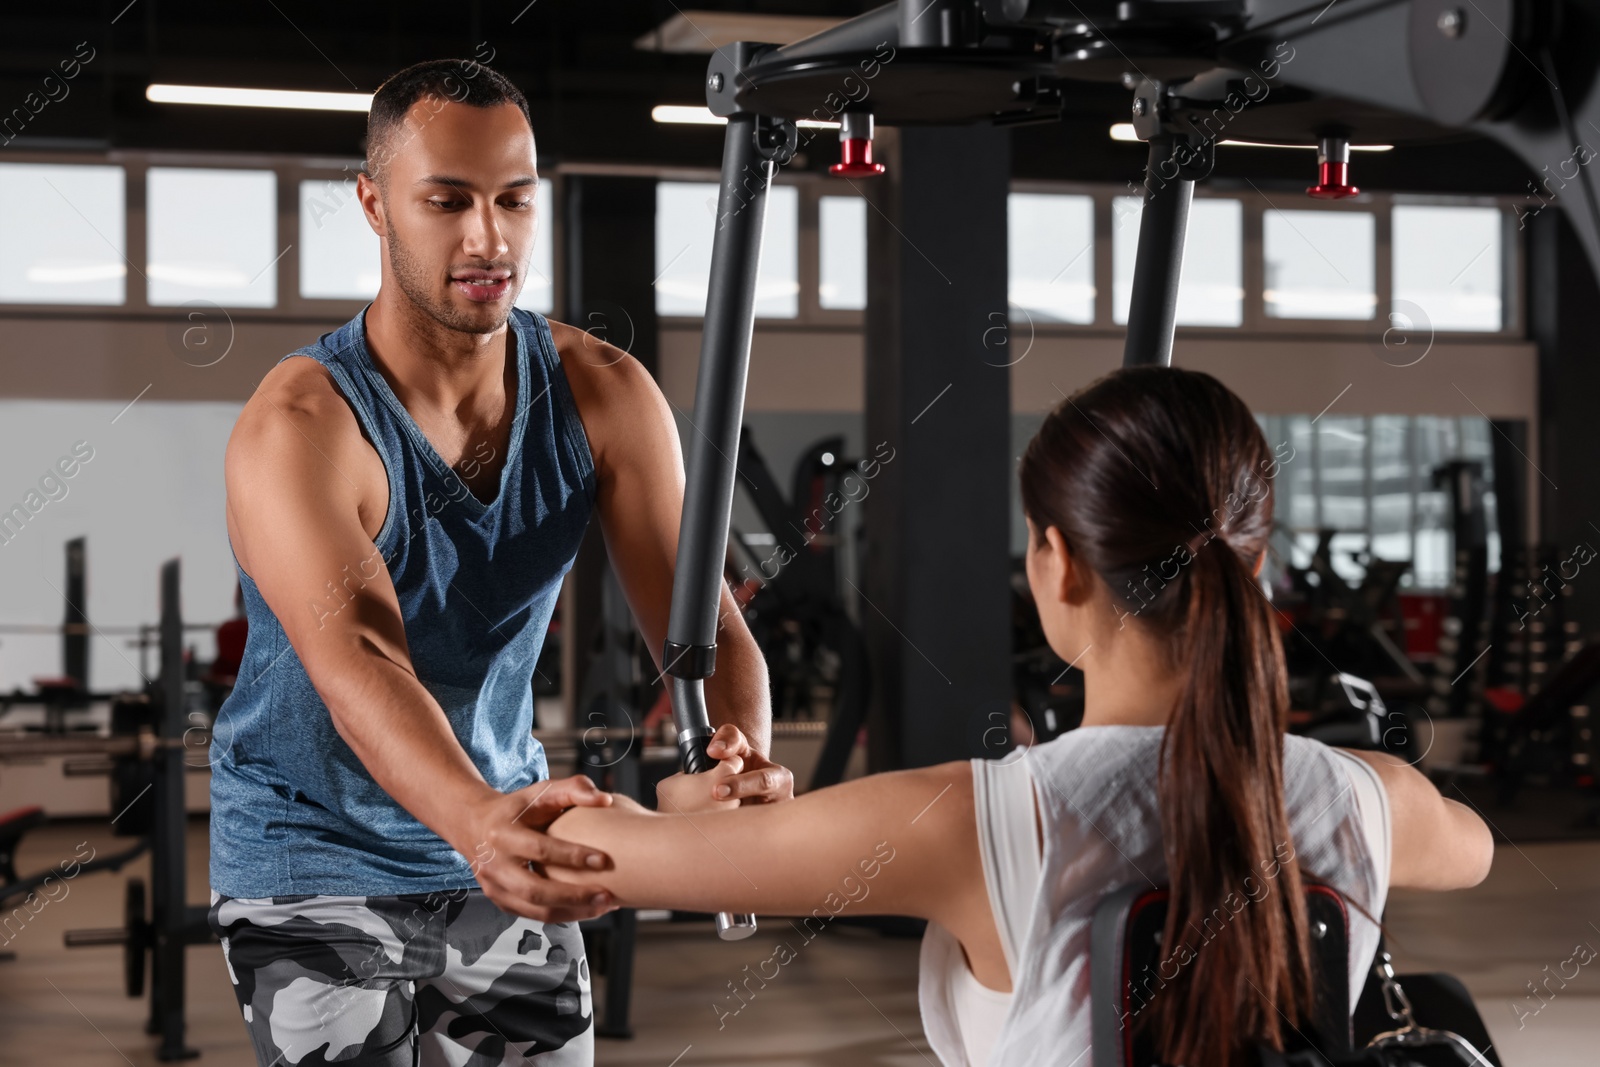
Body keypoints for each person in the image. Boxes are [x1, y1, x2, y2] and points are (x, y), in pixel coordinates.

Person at [546, 366, 1496, 1067]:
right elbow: (1477, 846)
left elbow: (585, 851)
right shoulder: (1375, 801)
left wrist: (678, 816)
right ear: (1254, 562)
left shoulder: (977, 820)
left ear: (1057, 560)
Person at [207, 58, 793, 1066]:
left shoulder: (603, 392)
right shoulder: (301, 425)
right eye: (447, 201)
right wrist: (476, 817)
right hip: (314, 854)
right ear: (374, 202)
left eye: (514, 199)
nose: (489, 238)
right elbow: (359, 665)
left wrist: (728, 758)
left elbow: (705, 627)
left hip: (509, 826)